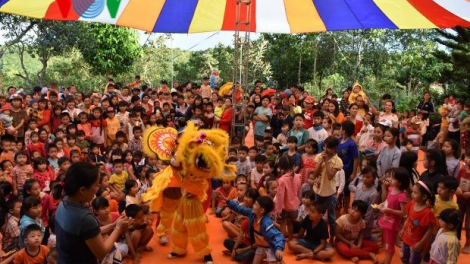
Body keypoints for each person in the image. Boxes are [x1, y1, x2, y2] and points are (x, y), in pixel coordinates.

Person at [54, 162, 130, 263]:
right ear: (82, 190)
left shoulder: (64, 202)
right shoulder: (84, 218)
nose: (98, 188)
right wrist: (118, 229)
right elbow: (101, 252)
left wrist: (114, 225)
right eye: (96, 185)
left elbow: (89, 234)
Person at [223, 196, 285, 264]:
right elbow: (240, 208)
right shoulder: (252, 214)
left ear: (262, 210)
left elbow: (278, 235)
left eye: (255, 204)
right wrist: (228, 200)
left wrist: (279, 249)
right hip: (260, 247)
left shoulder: (266, 223)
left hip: (270, 248)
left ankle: (279, 261)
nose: (253, 205)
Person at [313, 136, 343, 241]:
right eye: (325, 146)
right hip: (318, 190)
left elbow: (330, 176)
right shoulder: (319, 156)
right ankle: (317, 237)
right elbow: (315, 174)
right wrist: (321, 161)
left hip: (330, 192)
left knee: (331, 217)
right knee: (317, 214)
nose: (326, 150)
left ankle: (332, 238)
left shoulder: (338, 161)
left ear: (335, 148)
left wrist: (325, 161)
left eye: (329, 148)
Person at [377, 167, 410, 264]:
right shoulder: (391, 189)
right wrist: (382, 204)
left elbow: (403, 212)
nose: (390, 179)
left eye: (393, 178)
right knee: (387, 243)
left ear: (400, 182)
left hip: (392, 223)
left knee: (390, 244)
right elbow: (388, 200)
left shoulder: (402, 196)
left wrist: (389, 210)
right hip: (386, 220)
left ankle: (387, 261)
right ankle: (385, 260)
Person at [400, 181, 437, 264]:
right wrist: (403, 229)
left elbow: (430, 229)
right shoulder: (412, 204)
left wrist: (421, 243)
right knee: (404, 258)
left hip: (416, 243)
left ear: (424, 196)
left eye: (415, 192)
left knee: (413, 261)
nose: (412, 194)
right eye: (412, 191)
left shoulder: (428, 212)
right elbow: (408, 218)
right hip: (406, 238)